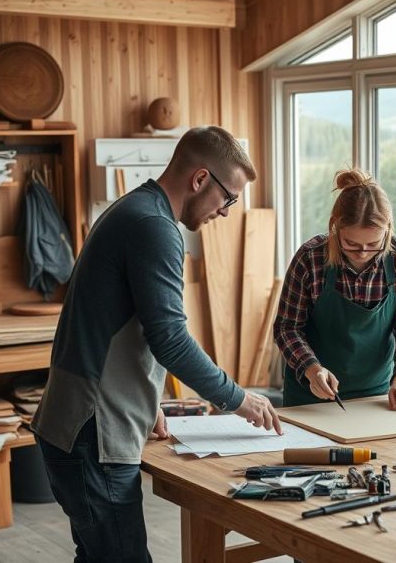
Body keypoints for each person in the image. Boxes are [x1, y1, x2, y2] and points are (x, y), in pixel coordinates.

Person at [32, 126, 281, 563]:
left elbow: (109, 326)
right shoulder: (154, 227)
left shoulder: (132, 210)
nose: (226, 212)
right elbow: (170, 339)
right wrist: (236, 398)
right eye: (229, 198)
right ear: (201, 179)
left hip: (78, 424)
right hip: (94, 434)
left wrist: (145, 401)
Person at [274, 168, 396, 412]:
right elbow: (286, 327)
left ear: (388, 228)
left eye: (374, 244)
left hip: (376, 396)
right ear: (335, 227)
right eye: (351, 244)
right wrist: (312, 370)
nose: (363, 253)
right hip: (311, 394)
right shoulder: (311, 258)